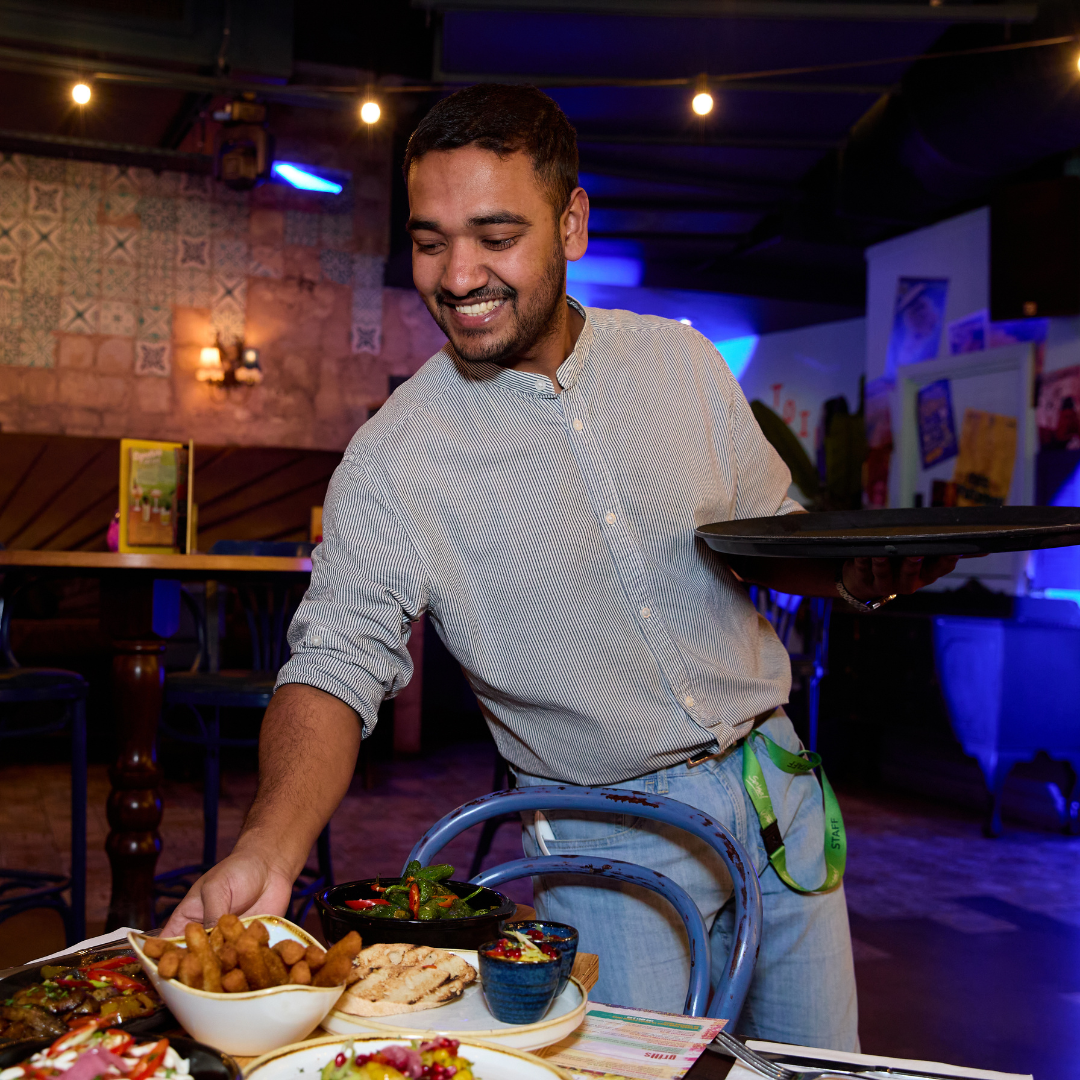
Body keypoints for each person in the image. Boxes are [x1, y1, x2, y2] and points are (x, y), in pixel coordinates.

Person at [161, 85, 961, 1049]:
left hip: (776, 796)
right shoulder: (394, 458)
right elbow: (333, 666)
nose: (458, 274)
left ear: (572, 222)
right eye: (429, 239)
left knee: (819, 1074)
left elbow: (771, 535)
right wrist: (269, 845)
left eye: (496, 235)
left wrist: (855, 573)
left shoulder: (683, 364)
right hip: (604, 852)